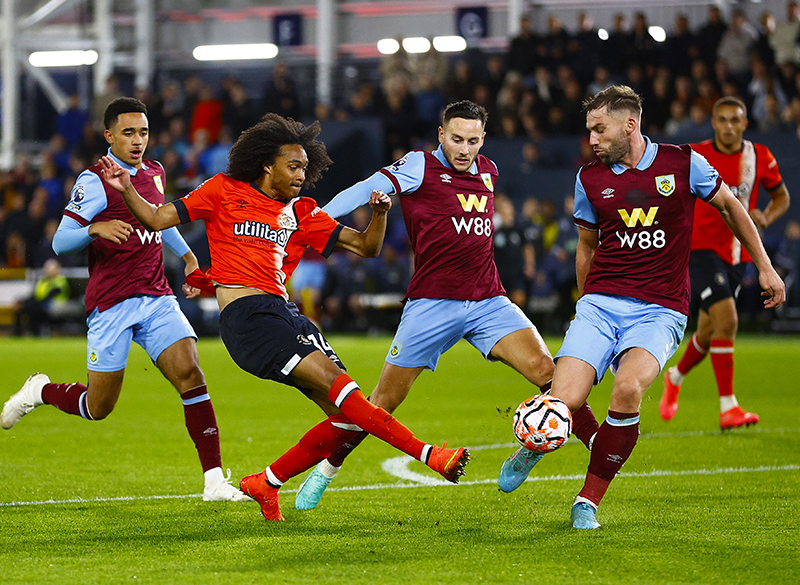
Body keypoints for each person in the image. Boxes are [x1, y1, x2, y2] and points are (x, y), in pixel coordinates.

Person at [99, 113, 470, 522]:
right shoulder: (222, 191)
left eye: (304, 168)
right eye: (292, 167)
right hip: (248, 318)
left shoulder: (302, 213)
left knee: (349, 417)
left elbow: (366, 247)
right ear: (266, 165)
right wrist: (127, 188)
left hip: (285, 314)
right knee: (341, 389)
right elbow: (155, 218)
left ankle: (268, 482)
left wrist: (380, 213)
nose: (300, 175)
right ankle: (430, 455)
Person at [497, 85, 784, 529]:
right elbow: (586, 246)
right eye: (589, 129)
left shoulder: (683, 163)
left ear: (629, 124)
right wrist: (585, 303)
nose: (591, 139)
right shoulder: (589, 178)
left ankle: (587, 500)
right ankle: (535, 444)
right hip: (600, 305)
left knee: (627, 390)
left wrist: (765, 266)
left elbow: (731, 206)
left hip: (660, 310)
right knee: (566, 398)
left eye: (599, 128)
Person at [293, 100, 599, 511]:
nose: (464, 149)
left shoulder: (489, 171)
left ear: (483, 140)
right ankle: (326, 470)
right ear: (441, 135)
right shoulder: (419, 166)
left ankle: (554, 446)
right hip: (431, 305)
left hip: (489, 300)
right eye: (456, 139)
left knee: (549, 373)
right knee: (381, 403)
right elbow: (363, 189)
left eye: (473, 141)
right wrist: (316, 218)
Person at [0, 97, 247, 502]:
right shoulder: (93, 180)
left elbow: (158, 219)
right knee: (99, 407)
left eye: (144, 132)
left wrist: (186, 257)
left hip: (155, 295)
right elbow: (60, 242)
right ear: (109, 135)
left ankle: (215, 481)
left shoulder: (154, 171)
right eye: (129, 133)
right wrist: (95, 227)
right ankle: (40, 391)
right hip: (111, 303)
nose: (138, 141)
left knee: (190, 373)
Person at [660, 97, 790, 429]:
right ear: (714, 123)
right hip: (697, 250)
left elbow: (782, 196)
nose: (729, 126)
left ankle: (675, 377)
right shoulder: (694, 155)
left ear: (745, 124)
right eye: (723, 120)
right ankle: (728, 407)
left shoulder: (760, 156)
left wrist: (766, 215)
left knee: (708, 330)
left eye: (736, 120)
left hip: (737, 254)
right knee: (727, 320)